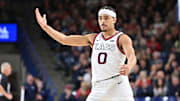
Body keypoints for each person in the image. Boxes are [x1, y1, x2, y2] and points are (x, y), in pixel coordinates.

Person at [35, 5, 136, 101]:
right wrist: (45, 27)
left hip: (118, 84)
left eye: (106, 18)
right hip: (99, 86)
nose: (102, 21)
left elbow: (132, 56)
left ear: (114, 19)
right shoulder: (93, 38)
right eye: (100, 18)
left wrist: (129, 66)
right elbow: (65, 40)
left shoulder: (122, 38)